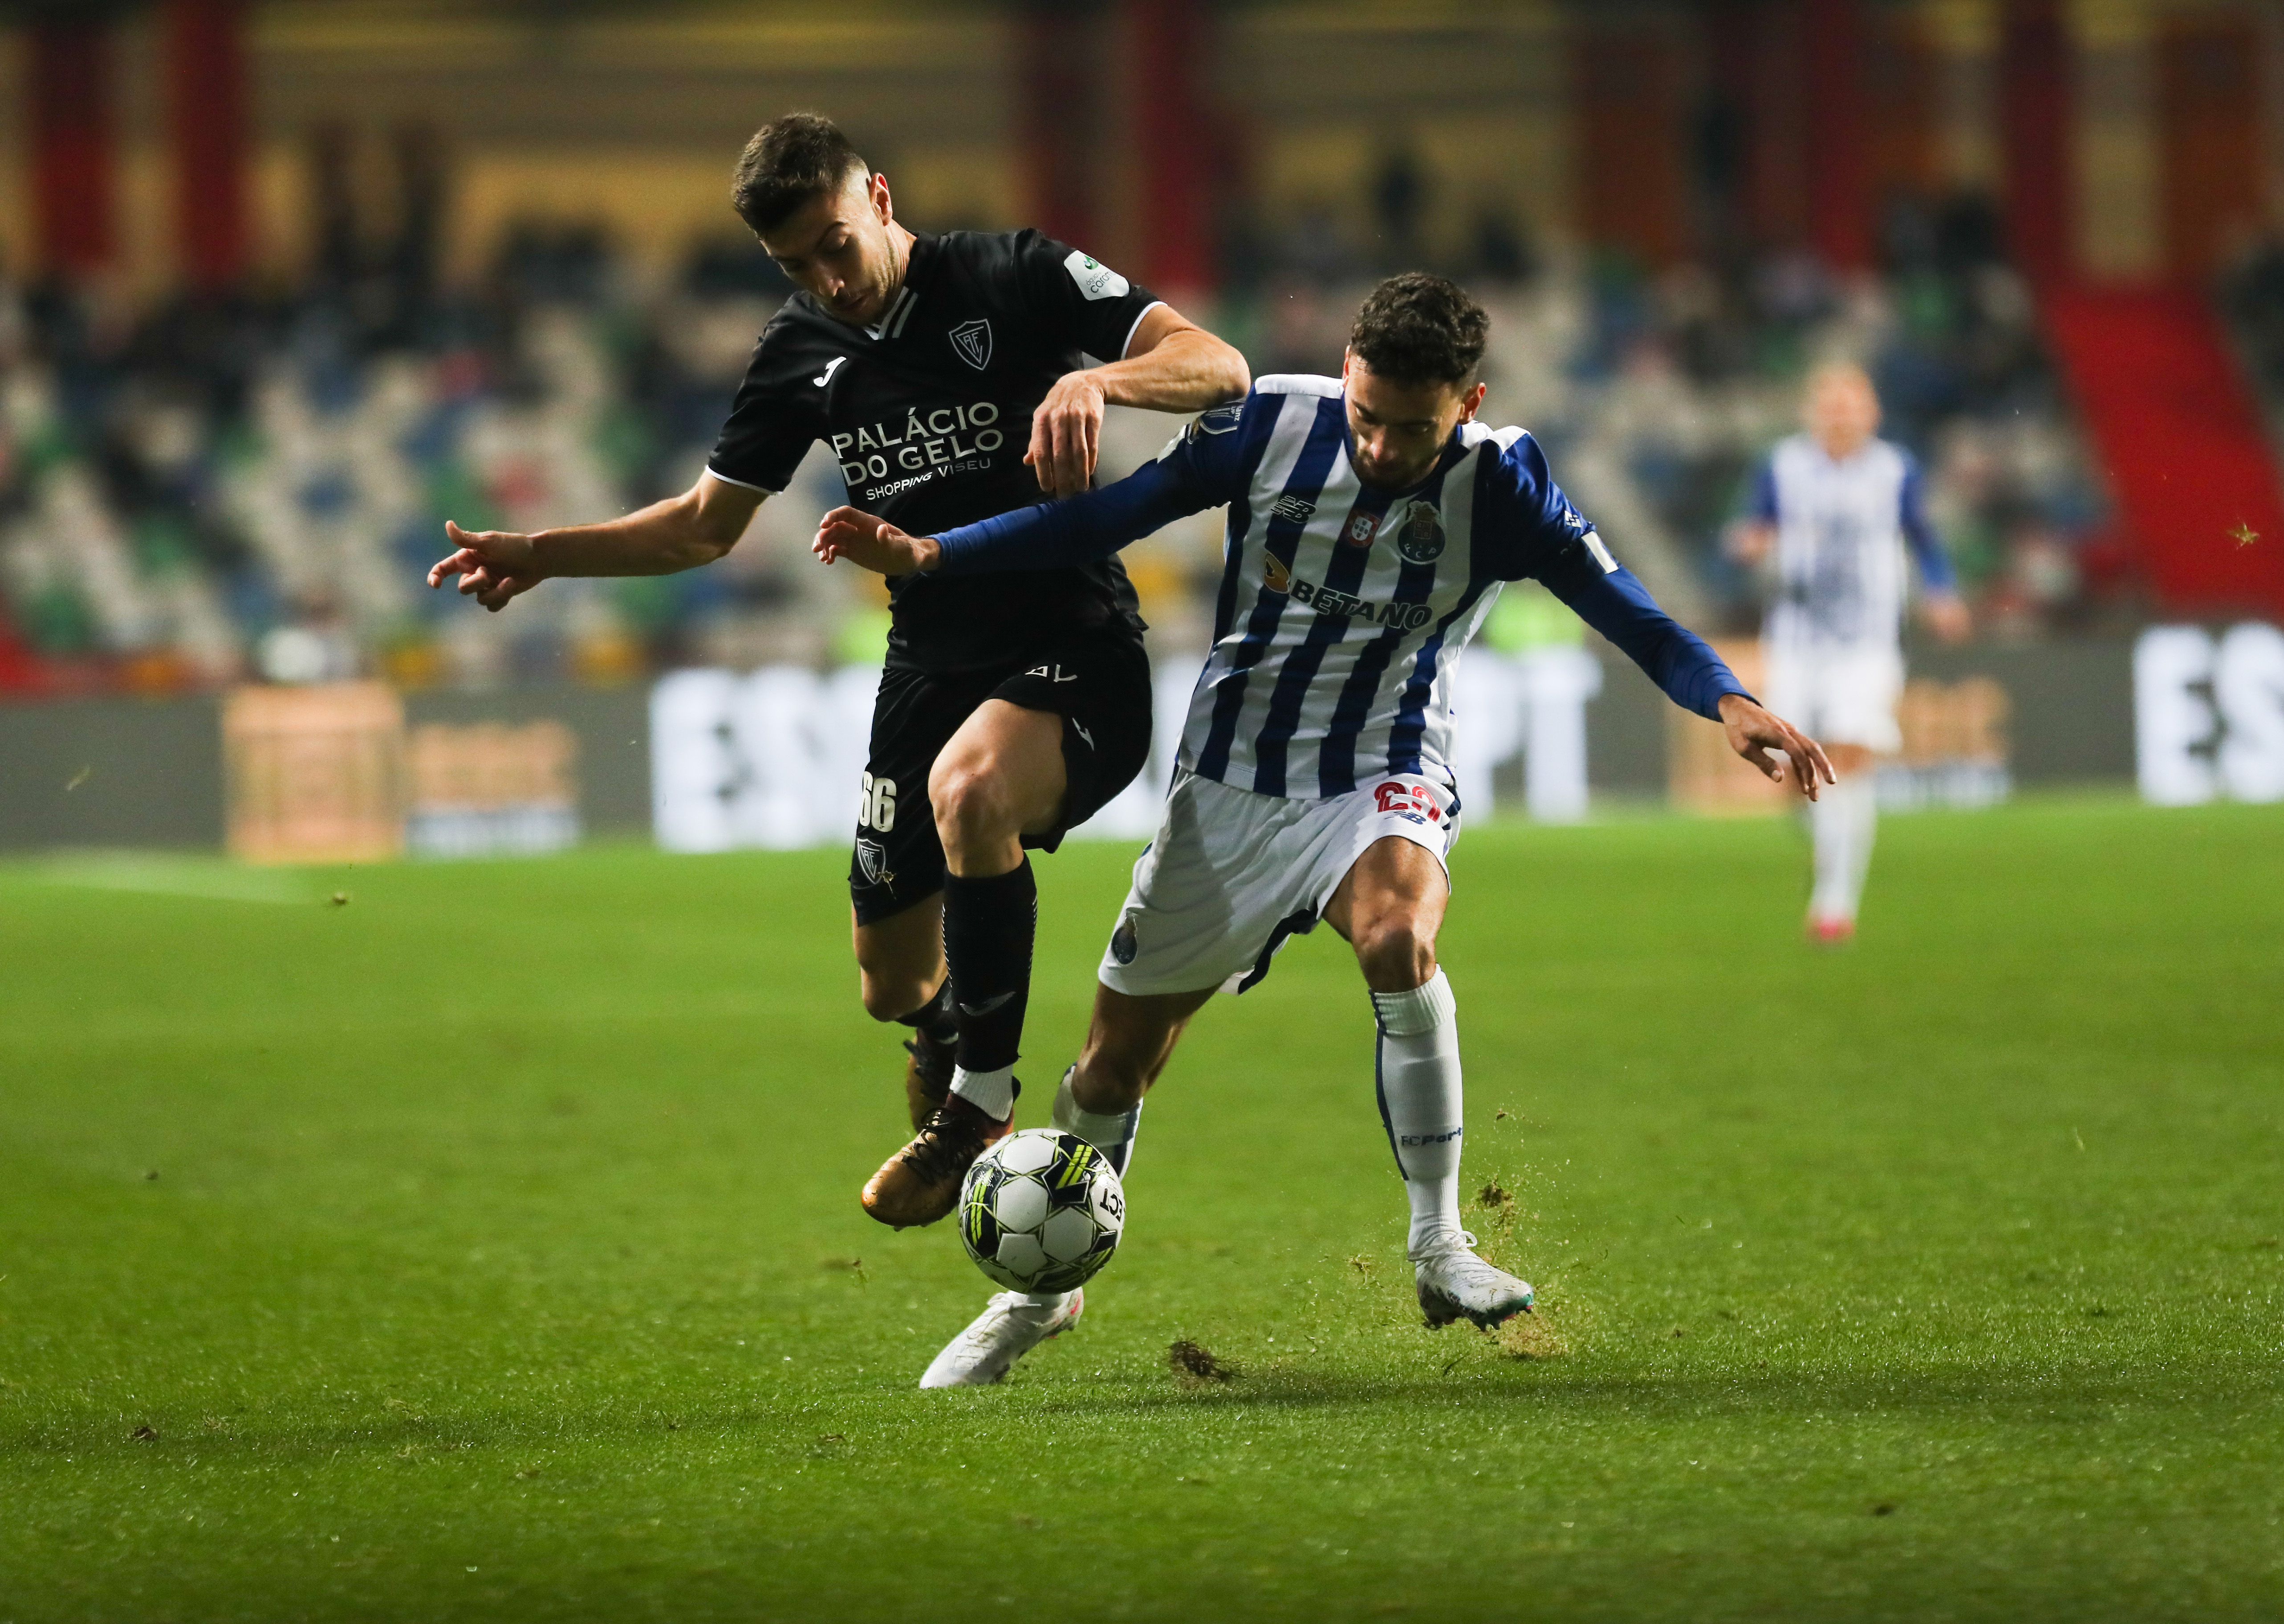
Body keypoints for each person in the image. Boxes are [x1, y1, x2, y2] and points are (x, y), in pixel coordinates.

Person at [817, 273, 1832, 1386]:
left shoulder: (1507, 485)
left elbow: (1627, 610)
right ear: (1345, 379)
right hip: (1230, 790)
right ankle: (1042, 1294)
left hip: (1383, 770)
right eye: (1367, 417)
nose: (1386, 448)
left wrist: (1729, 699)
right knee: (1108, 1073)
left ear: (1470, 401)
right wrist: (937, 556)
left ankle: (1442, 1244)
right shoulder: (1269, 425)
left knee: (1399, 940)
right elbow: (1107, 515)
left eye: (1415, 428)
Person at [427, 113, 1249, 1224]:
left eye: (835, 243)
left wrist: (1102, 383)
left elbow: (1217, 363)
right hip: (928, 662)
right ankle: (950, 1029)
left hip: (1074, 641)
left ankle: (979, 1107)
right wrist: (543, 554)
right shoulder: (797, 354)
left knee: (972, 795)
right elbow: (702, 528)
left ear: (882, 199)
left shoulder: (1015, 271)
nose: (828, 278)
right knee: (893, 984)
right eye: (794, 264)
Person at [1726, 363, 1968, 944]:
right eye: (1831, 407)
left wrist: (1942, 592)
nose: (1841, 418)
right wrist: (1748, 543)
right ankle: (1826, 838)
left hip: (1866, 639)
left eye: (1851, 406)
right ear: (1812, 413)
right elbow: (1746, 531)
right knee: (1795, 770)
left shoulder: (1894, 470)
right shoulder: (1781, 467)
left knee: (1850, 753)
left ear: (1871, 414)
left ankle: (1835, 902)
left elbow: (1924, 538)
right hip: (1798, 639)